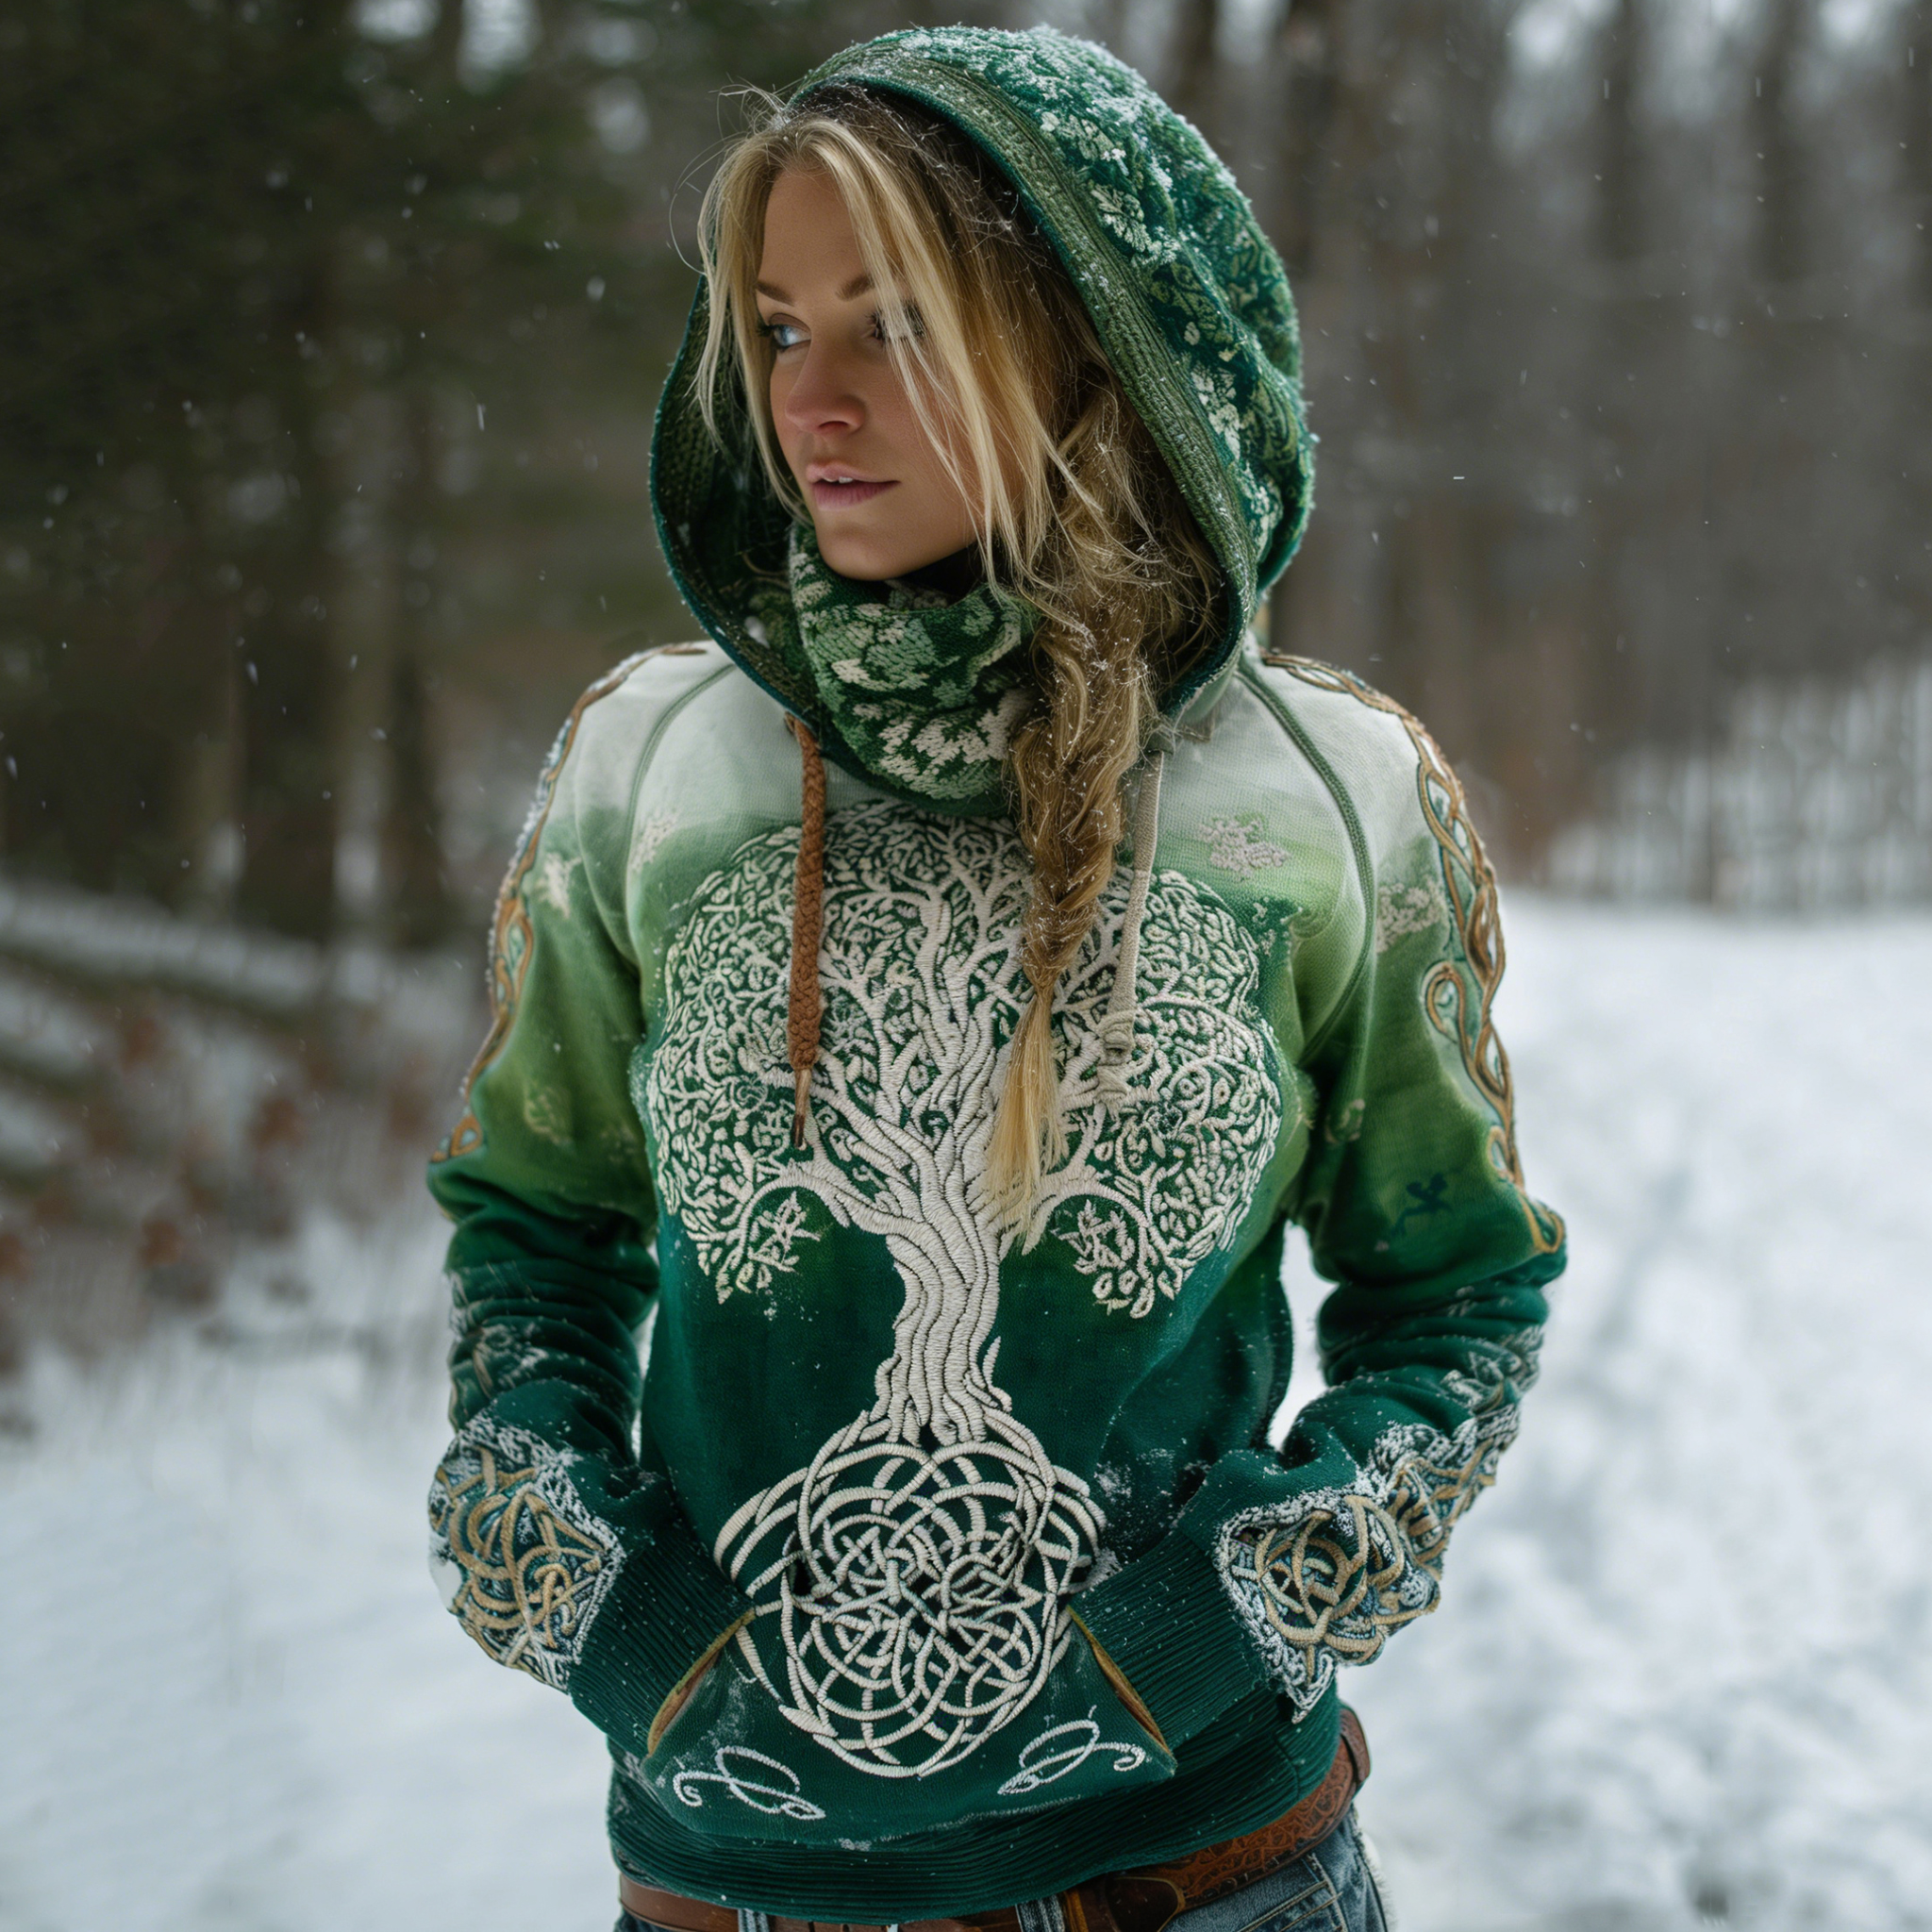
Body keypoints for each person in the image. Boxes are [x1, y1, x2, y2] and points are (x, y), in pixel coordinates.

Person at [424, 25, 1565, 1932]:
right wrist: (621, 1626)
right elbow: (536, 1232)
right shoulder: (652, 768)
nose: (811, 400)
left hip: (1202, 1875)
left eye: (895, 326)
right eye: (778, 330)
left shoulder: (1326, 795)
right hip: (734, 1886)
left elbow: (1454, 1295)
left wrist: (1206, 1631)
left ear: (1085, 345)